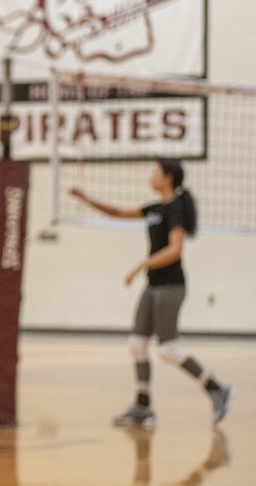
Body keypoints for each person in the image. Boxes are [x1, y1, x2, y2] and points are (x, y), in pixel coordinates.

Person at [69, 159, 234, 429]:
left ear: (168, 177)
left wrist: (141, 265)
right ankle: (143, 406)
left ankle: (217, 389)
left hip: (171, 285)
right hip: (154, 284)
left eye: (156, 172)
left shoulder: (177, 209)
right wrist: (86, 198)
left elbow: (175, 250)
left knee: (168, 348)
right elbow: (119, 213)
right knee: (136, 344)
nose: (151, 176)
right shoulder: (156, 208)